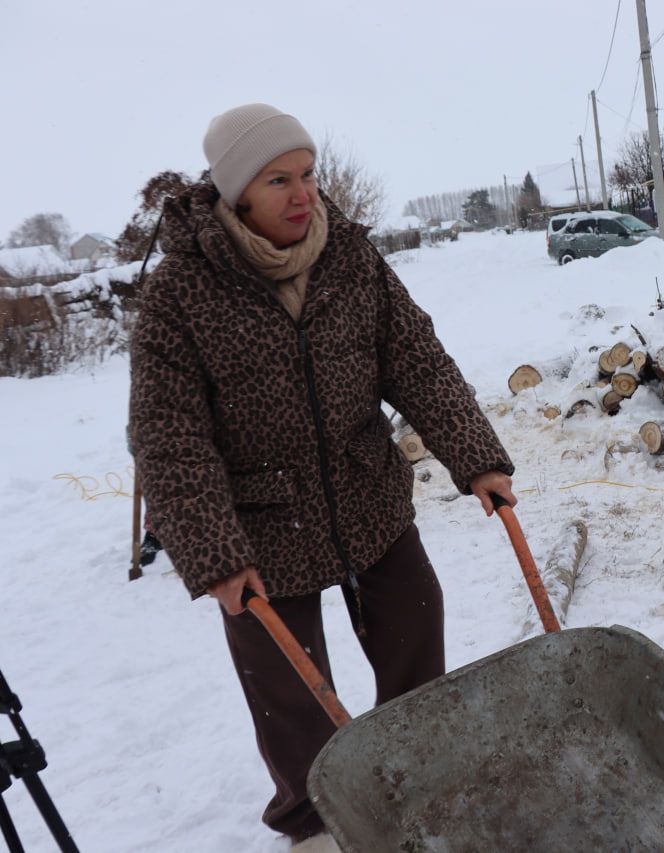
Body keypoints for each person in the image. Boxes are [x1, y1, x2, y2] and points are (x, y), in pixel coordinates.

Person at [128, 104, 516, 849]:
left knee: (415, 626)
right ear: (237, 191)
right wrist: (214, 552)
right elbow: (169, 437)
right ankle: (312, 820)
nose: (303, 193)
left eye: (308, 174)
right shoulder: (182, 293)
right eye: (279, 179)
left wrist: (478, 457)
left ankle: (415, 774)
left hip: (366, 487)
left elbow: (418, 360)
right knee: (287, 691)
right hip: (260, 525)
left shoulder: (351, 257)